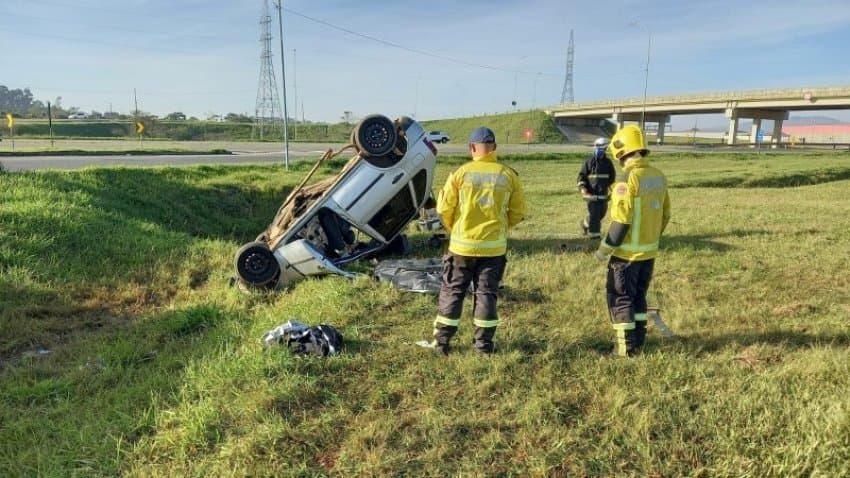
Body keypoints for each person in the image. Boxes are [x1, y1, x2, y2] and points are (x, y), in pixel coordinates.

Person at [431, 126, 526, 355]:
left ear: (472, 148)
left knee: (453, 291)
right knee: (486, 294)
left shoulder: (461, 173)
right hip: (494, 249)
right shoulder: (508, 175)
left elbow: (444, 209)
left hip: (461, 247)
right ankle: (483, 347)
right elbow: (518, 212)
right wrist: (500, 229)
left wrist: (457, 229)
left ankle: (442, 344)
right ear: (494, 148)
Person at [594, 125, 671, 357]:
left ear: (621, 151)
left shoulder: (627, 180)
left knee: (620, 299)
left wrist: (603, 251)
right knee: (638, 297)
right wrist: (650, 237)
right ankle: (638, 342)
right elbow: (665, 215)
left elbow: (621, 223)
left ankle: (624, 351)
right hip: (648, 254)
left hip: (626, 257)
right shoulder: (658, 176)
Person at [577, 137, 616, 239]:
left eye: (603, 148)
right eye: (598, 147)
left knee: (600, 215)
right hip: (591, 196)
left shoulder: (608, 163)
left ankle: (584, 225)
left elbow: (612, 179)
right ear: (595, 147)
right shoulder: (588, 162)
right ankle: (595, 238)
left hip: (603, 196)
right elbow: (582, 177)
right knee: (595, 216)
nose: (600, 150)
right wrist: (583, 189)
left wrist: (613, 191)